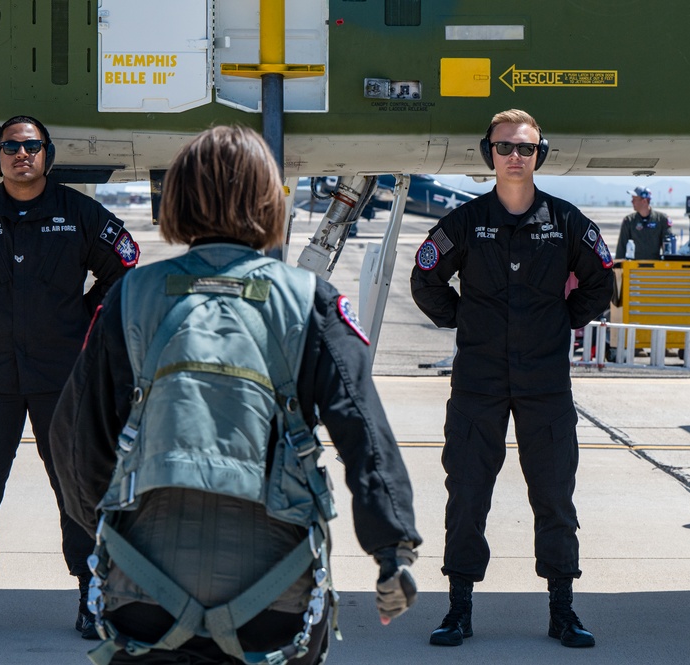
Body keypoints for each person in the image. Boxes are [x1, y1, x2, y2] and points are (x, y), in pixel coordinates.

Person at [49, 125, 422, 665]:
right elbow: (363, 431)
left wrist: (109, 531)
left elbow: (77, 441)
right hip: (273, 597)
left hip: (142, 588)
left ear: (176, 196)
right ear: (270, 198)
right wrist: (392, 552)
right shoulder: (310, 300)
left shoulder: (131, 296)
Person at [0, 115, 139, 639]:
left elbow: (124, 267)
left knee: (75, 488)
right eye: (11, 147)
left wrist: (81, 323)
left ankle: (91, 599)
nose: (22, 154)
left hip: (62, 376)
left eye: (32, 146)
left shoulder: (79, 214)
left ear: (48, 154)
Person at [410, 109, 613, 649]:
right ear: (489, 154)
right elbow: (425, 278)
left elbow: (598, 285)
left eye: (525, 148)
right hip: (479, 380)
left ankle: (563, 610)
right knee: (468, 492)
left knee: (553, 494)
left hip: (545, 381)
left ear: (539, 154)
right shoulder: (464, 222)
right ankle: (458, 610)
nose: (514, 157)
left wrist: (558, 321)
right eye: (504, 148)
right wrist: (464, 319)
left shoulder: (567, 222)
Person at [615, 186, 672, 260]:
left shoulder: (662, 220)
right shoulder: (629, 221)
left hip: (656, 267)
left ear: (644, 201)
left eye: (634, 199)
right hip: (634, 268)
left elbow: (668, 247)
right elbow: (621, 248)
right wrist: (618, 267)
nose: (632, 201)